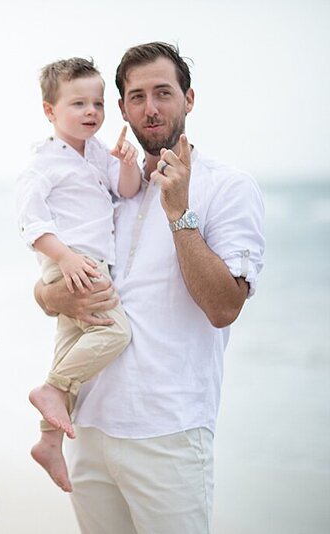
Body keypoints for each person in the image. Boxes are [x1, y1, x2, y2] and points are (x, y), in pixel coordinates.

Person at [35, 42, 265, 533]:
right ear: (121, 108)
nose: (151, 107)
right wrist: (53, 296)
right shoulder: (109, 185)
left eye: (163, 92)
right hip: (88, 424)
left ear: (189, 99)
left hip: (168, 430)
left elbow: (224, 307)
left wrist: (180, 212)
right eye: (136, 96)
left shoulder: (228, 187)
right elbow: (50, 288)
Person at [16, 57, 141, 491]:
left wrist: (127, 162)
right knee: (114, 333)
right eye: (78, 104)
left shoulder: (98, 154)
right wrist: (65, 258)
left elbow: (127, 191)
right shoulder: (43, 163)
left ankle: (49, 441)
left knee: (72, 342)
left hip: (88, 260)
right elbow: (32, 225)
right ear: (50, 111)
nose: (91, 112)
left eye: (98, 103)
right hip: (73, 261)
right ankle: (53, 388)